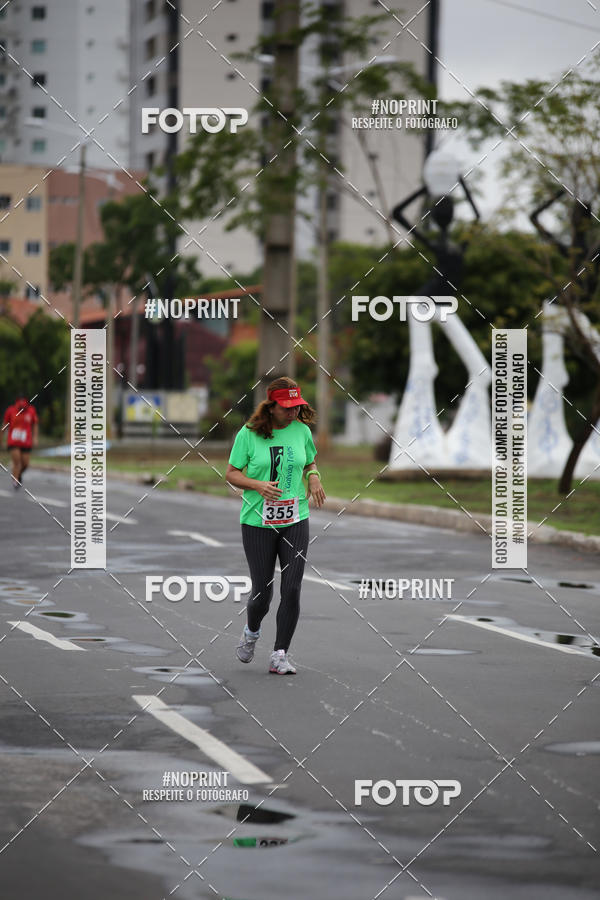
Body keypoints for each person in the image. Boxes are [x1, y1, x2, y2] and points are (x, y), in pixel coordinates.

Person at [226, 377, 326, 675]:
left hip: (295, 517)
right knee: (262, 593)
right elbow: (231, 473)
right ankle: (252, 631)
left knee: (292, 588)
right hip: (258, 521)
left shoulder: (302, 431)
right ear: (271, 406)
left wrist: (314, 476)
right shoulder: (249, 434)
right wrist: (257, 485)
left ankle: (279, 654)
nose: (293, 412)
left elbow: (309, 462)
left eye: (297, 407)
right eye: (287, 408)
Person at [2, 395, 38, 490]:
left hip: (26, 442)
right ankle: (15, 480)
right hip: (13, 441)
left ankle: (18, 474)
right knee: (17, 461)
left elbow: (34, 424)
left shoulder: (31, 411)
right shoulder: (10, 411)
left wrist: (35, 437)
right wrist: (2, 439)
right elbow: (5, 425)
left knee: (25, 463)